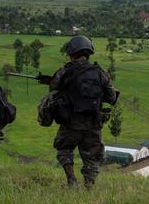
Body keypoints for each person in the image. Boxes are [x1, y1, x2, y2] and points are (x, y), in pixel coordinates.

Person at [49, 35, 118, 188]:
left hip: (70, 123)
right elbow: (112, 98)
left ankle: (72, 180)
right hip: (93, 123)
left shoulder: (64, 71)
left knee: (64, 150)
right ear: (88, 53)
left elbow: (53, 90)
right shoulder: (101, 73)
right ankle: (89, 186)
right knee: (92, 156)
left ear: (72, 53)